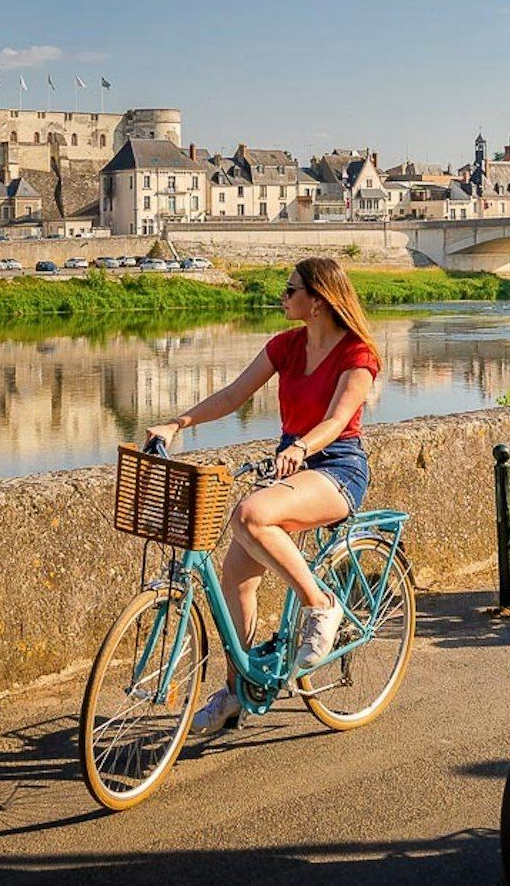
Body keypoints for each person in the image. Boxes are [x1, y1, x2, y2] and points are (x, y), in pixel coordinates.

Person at [146, 257, 381, 735]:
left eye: (290, 290)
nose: (283, 297)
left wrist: (301, 445)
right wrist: (176, 424)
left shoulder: (357, 355)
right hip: (290, 462)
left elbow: (336, 422)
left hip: (336, 466)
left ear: (317, 301)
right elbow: (233, 396)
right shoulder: (286, 347)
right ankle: (238, 690)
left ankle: (321, 604)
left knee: (250, 515)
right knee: (235, 577)